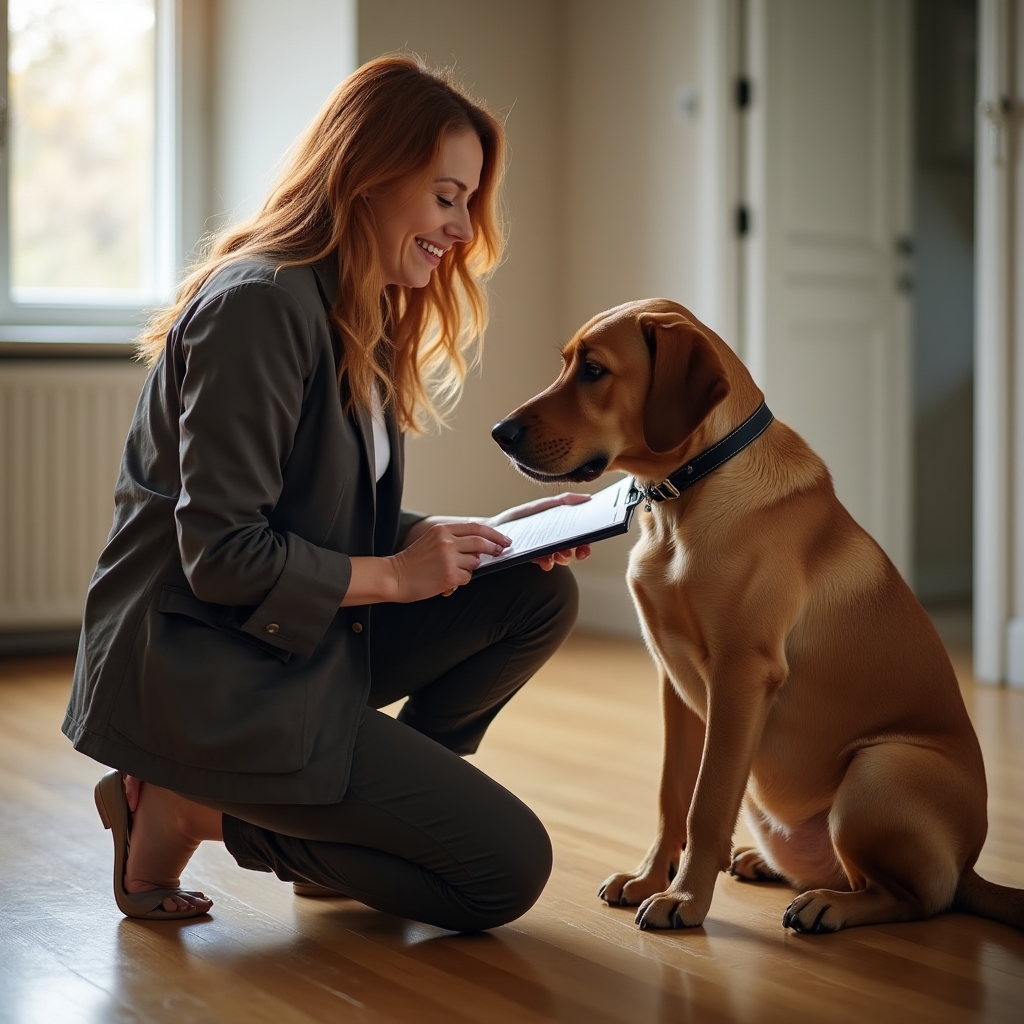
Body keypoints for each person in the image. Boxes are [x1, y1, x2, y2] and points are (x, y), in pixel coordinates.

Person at [65, 55, 588, 933]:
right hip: (203, 668)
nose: (463, 230)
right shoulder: (260, 303)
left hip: (276, 640)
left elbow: (317, 519)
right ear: (368, 177)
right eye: (447, 197)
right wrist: (399, 576)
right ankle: (186, 808)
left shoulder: (355, 308)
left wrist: (483, 536)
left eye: (468, 203)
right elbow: (225, 554)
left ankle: (354, 826)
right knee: (503, 873)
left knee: (534, 593)